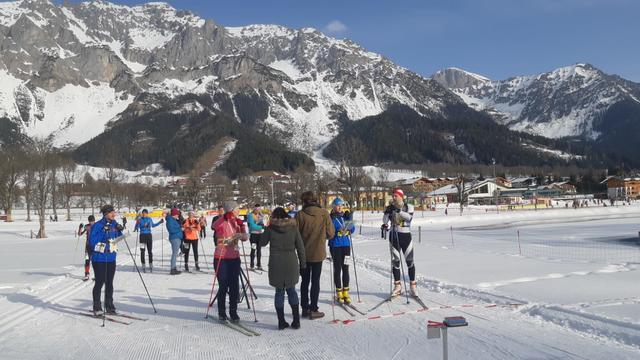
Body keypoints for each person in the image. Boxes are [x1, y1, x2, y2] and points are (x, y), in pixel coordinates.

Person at [260, 207, 306, 330]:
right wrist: (303, 265)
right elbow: (301, 248)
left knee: (279, 291)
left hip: (276, 263)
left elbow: (262, 243)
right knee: (292, 290)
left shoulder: (270, 228)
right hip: (291, 262)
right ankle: (296, 321)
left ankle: (281, 321)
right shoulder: (293, 228)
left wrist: (265, 227)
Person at [296, 191, 335, 320]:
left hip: (304, 254)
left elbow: (294, 234)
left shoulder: (300, 215)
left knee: (304, 282)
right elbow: (331, 233)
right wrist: (322, 236)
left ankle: (305, 308)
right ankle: (314, 309)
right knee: (315, 281)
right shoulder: (324, 213)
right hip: (318, 253)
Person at [212, 201, 248, 322]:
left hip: (234, 258)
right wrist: (224, 217)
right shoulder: (222, 221)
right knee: (223, 286)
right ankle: (222, 312)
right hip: (221, 258)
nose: (239, 210)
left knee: (234, 286)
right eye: (237, 208)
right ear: (231, 210)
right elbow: (214, 226)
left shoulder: (237, 222)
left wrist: (242, 227)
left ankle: (233, 311)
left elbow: (245, 238)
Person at [382, 189, 417, 297]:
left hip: (406, 236)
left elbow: (409, 218)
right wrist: (387, 212)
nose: (394, 198)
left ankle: (413, 286)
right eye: (393, 196)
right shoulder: (391, 207)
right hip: (394, 236)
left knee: (409, 261)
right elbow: (384, 221)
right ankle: (397, 286)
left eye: (396, 196)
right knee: (395, 261)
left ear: (401, 196)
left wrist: (398, 211)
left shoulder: (409, 206)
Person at [88, 205, 123, 315]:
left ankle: (109, 306)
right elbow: (92, 242)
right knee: (100, 282)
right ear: (106, 214)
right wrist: (103, 231)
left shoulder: (114, 224)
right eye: (112, 212)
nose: (114, 214)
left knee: (109, 283)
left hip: (111, 257)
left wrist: (120, 231)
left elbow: (117, 239)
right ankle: (97, 307)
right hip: (99, 258)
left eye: (114, 212)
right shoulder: (98, 225)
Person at [329, 198, 356, 304]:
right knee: (337, 268)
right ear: (333, 207)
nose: (340, 207)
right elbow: (328, 232)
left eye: (341, 205)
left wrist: (349, 220)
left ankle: (346, 292)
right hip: (335, 245)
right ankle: (339, 292)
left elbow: (352, 230)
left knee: (346, 268)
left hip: (346, 245)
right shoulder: (330, 217)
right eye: (337, 205)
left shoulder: (345, 216)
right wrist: (337, 231)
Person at [247, 204, 266, 270]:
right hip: (253, 235)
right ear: (254, 209)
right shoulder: (250, 215)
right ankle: (252, 265)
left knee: (259, 250)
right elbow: (252, 226)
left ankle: (258, 264)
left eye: (259, 209)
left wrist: (263, 226)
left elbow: (262, 224)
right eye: (256, 209)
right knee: (253, 249)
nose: (257, 211)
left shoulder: (260, 215)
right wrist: (261, 227)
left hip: (259, 235)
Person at [165, 208, 183, 275]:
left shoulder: (173, 220)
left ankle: (174, 268)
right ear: (174, 214)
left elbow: (175, 228)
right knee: (174, 254)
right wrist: (180, 229)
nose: (178, 216)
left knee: (175, 254)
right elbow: (171, 230)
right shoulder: (170, 220)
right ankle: (173, 269)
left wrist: (180, 228)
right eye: (177, 214)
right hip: (174, 238)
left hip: (177, 238)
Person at [78, 215, 96, 280]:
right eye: (90, 221)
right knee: (87, 260)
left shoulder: (97, 226)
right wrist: (80, 228)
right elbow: (80, 234)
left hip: (95, 246)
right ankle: (86, 274)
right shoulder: (87, 226)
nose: (91, 222)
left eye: (92, 221)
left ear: (94, 220)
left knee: (95, 261)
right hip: (87, 247)